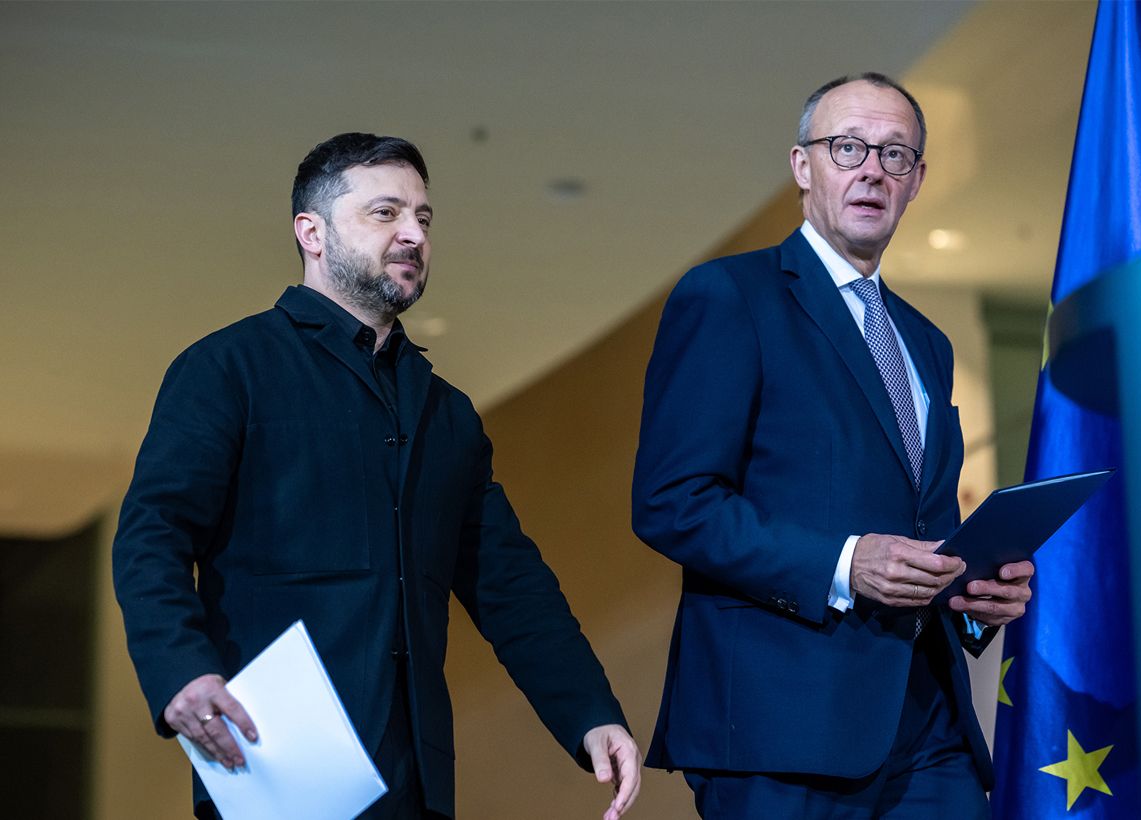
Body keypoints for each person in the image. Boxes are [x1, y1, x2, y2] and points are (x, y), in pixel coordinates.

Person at [113, 133, 640, 820]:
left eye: (423, 217)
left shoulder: (447, 414)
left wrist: (590, 713)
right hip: (270, 763)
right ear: (312, 233)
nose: (413, 234)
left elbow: (509, 583)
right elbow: (152, 534)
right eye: (385, 213)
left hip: (413, 778)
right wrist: (181, 671)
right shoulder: (227, 369)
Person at [631, 73, 1033, 818]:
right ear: (802, 166)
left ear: (916, 182)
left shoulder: (928, 342)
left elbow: (925, 524)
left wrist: (976, 596)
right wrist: (847, 563)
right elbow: (672, 503)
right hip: (782, 726)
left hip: (930, 723)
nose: (872, 170)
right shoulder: (729, 295)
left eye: (895, 154)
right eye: (848, 147)